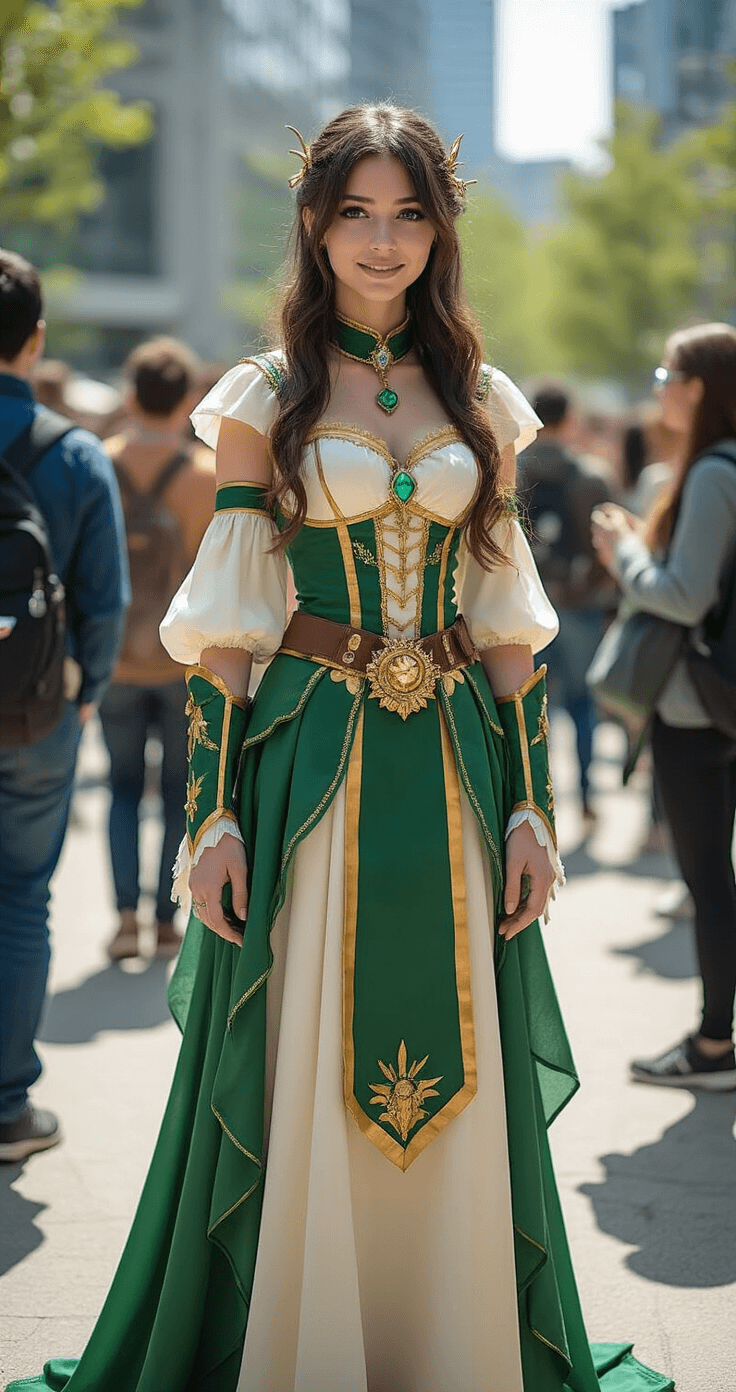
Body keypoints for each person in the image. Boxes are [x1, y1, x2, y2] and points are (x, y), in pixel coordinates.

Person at [6, 108, 673, 1392]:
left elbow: (507, 624)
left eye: (409, 213)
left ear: (440, 227)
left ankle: (449, 1339)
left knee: (458, 1038)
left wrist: (533, 809)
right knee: (302, 1039)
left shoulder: (482, 400)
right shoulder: (264, 396)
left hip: (460, 765)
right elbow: (228, 626)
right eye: (356, 212)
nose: (382, 240)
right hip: (310, 756)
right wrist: (210, 818)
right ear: (314, 223)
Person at [0, 250, 129, 1164]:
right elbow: (105, 600)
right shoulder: (74, 452)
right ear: (36, 340)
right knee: (20, 898)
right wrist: (89, 693)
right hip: (38, 709)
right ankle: (8, 1107)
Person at [593, 322, 736, 1092]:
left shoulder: (715, 471)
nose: (659, 390)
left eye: (666, 376)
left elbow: (683, 597)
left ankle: (714, 1047)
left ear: (699, 387)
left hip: (700, 708)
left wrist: (624, 553)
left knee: (709, 880)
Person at [99, 337, 216, 961]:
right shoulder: (207, 475)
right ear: (188, 399)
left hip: (114, 657)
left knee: (120, 788)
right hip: (185, 662)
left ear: (129, 394)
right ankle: (167, 922)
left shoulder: (99, 462)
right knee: (179, 791)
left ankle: (123, 920)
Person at [518, 383, 617, 822]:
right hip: (579, 605)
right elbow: (609, 544)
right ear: (569, 418)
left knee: (530, 708)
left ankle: (536, 800)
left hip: (527, 607)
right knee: (581, 704)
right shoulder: (591, 475)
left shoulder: (513, 471)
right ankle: (588, 798)